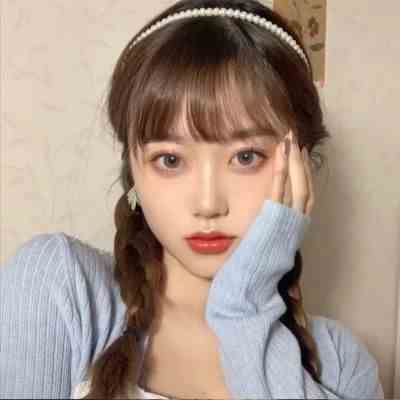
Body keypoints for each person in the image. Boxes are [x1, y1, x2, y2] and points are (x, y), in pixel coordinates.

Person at [0, 0, 385, 399]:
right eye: (170, 160)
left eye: (246, 157)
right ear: (133, 169)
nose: (207, 204)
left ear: (301, 163)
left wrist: (244, 308)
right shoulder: (60, 289)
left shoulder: (341, 365)